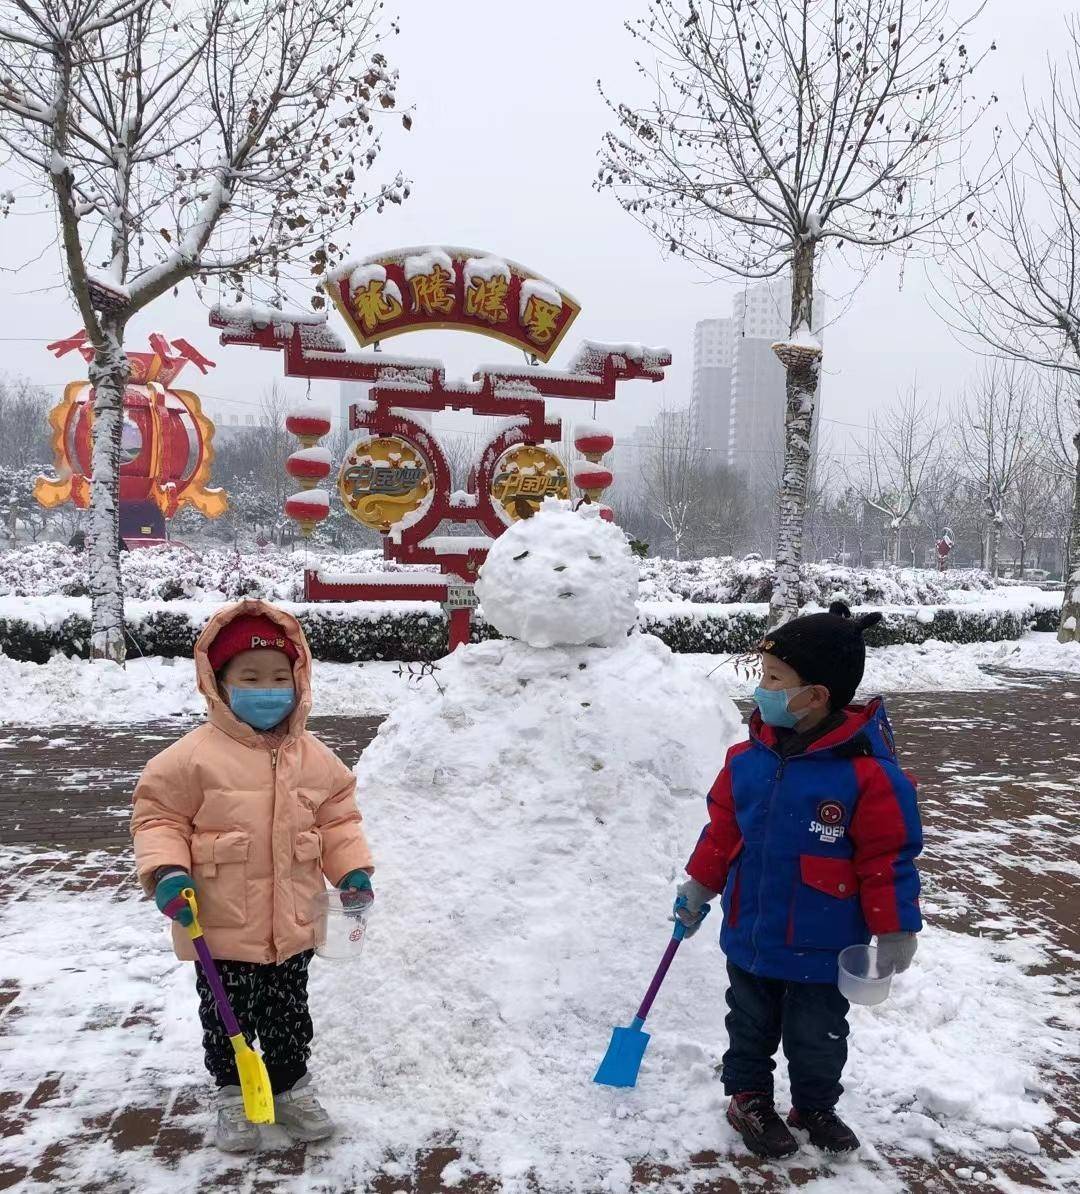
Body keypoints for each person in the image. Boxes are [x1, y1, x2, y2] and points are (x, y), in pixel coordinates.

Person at [674, 601, 922, 1159]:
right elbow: (722, 835)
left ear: (816, 696)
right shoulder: (746, 760)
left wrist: (897, 926)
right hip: (753, 932)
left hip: (825, 940)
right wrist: (699, 888)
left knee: (819, 1037)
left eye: (773, 679)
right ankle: (748, 1098)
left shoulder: (867, 776)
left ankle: (814, 1105)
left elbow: (889, 858)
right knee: (750, 1026)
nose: (761, 689)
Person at [130, 600, 374, 1152]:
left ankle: (290, 1087)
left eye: (279, 677)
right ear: (219, 683)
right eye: (251, 677)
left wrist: (352, 868)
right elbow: (158, 817)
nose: (268, 688)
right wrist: (166, 871)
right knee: (228, 1016)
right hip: (218, 922)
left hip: (291, 922)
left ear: (299, 680)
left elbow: (338, 817)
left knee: (290, 1012)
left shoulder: (313, 757)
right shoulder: (190, 758)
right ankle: (233, 1095)